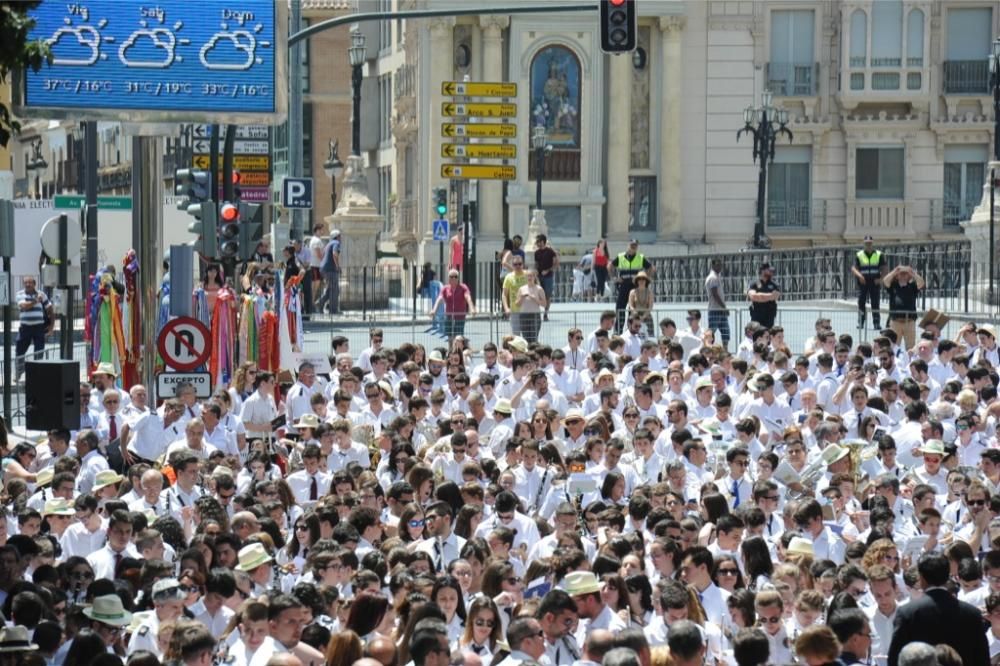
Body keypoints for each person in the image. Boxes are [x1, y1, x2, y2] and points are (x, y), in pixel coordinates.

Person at [887, 552, 989, 666]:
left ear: (921, 578)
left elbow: (894, 660)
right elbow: (982, 660)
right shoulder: (971, 613)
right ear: (948, 575)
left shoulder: (907, 613)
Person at [14, 276, 53, 376]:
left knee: (39, 351)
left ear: (34, 284)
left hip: (39, 327)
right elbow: (24, 306)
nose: (27, 285)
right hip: (25, 328)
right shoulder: (20, 294)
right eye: (25, 283)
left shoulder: (42, 294)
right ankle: (19, 371)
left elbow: (50, 309)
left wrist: (52, 326)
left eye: (30, 283)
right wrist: (36, 301)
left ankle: (37, 373)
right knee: (19, 350)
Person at [610, 239, 652, 334]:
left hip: (634, 286)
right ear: (628, 245)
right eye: (632, 245)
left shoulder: (640, 257)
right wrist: (615, 278)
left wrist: (646, 279)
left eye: (635, 245)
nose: (633, 247)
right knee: (620, 308)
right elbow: (610, 266)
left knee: (632, 309)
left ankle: (630, 331)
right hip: (623, 285)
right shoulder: (621, 256)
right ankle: (618, 332)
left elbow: (651, 268)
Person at [883, 264, 925, 350]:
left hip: (909, 321)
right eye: (901, 273)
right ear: (897, 276)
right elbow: (885, 281)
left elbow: (921, 283)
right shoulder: (893, 285)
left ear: (908, 275)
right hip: (895, 321)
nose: (903, 275)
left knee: (911, 348)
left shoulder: (912, 286)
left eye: (905, 273)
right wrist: (895, 271)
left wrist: (913, 273)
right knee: (893, 347)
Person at [852, 235, 886, 331]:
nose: (868, 245)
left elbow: (884, 268)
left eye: (870, 243)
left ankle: (876, 323)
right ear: (864, 243)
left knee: (875, 303)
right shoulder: (859, 254)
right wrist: (860, 276)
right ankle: (861, 322)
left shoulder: (879, 254)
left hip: (874, 282)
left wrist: (880, 279)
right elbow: (854, 268)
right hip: (863, 282)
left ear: (872, 243)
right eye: (866, 243)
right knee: (861, 302)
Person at [430, 269, 476, 339]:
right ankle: (451, 349)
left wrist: (472, 309)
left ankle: (460, 348)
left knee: (459, 338)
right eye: (451, 276)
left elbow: (468, 298)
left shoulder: (463, 287)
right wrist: (434, 310)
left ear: (458, 278)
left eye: (456, 276)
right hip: (449, 316)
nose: (454, 278)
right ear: (448, 278)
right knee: (450, 337)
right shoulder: (445, 288)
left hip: (459, 316)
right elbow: (439, 299)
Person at [705, 259, 730, 350]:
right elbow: (715, 294)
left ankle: (725, 351)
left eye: (721, 265)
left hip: (720, 310)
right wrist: (724, 307)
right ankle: (707, 350)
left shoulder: (717, 277)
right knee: (711, 333)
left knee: (725, 332)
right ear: (713, 266)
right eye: (718, 265)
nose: (720, 267)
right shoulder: (713, 278)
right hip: (715, 309)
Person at [747, 263, 780, 329]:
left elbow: (775, 296)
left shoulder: (774, 284)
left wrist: (759, 296)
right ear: (762, 271)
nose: (771, 272)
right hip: (756, 316)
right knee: (756, 336)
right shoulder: (754, 284)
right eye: (769, 270)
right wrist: (769, 296)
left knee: (768, 336)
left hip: (769, 317)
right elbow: (753, 296)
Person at [534, 234, 559, 321]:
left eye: (538, 242)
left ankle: (545, 314)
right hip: (539, 276)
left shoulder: (550, 252)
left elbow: (556, 264)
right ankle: (537, 313)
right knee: (537, 295)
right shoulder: (536, 253)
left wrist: (548, 270)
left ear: (542, 242)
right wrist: (536, 272)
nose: (537, 244)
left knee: (547, 296)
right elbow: (536, 264)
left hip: (548, 276)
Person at [317, 229, 342, 315]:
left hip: (324, 268)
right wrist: (337, 266)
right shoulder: (336, 243)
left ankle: (319, 303)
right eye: (340, 236)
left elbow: (322, 254)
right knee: (335, 290)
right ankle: (333, 310)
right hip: (331, 269)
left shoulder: (328, 244)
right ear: (337, 236)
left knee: (330, 289)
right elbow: (335, 254)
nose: (341, 238)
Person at [626, 271, 654, 338]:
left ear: (646, 281)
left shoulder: (649, 292)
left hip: (646, 314)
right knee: (631, 330)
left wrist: (644, 316)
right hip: (634, 314)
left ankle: (651, 338)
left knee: (651, 332)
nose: (641, 281)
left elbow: (650, 306)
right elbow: (631, 305)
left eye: (643, 279)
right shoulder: (632, 292)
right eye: (639, 279)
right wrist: (636, 315)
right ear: (637, 281)